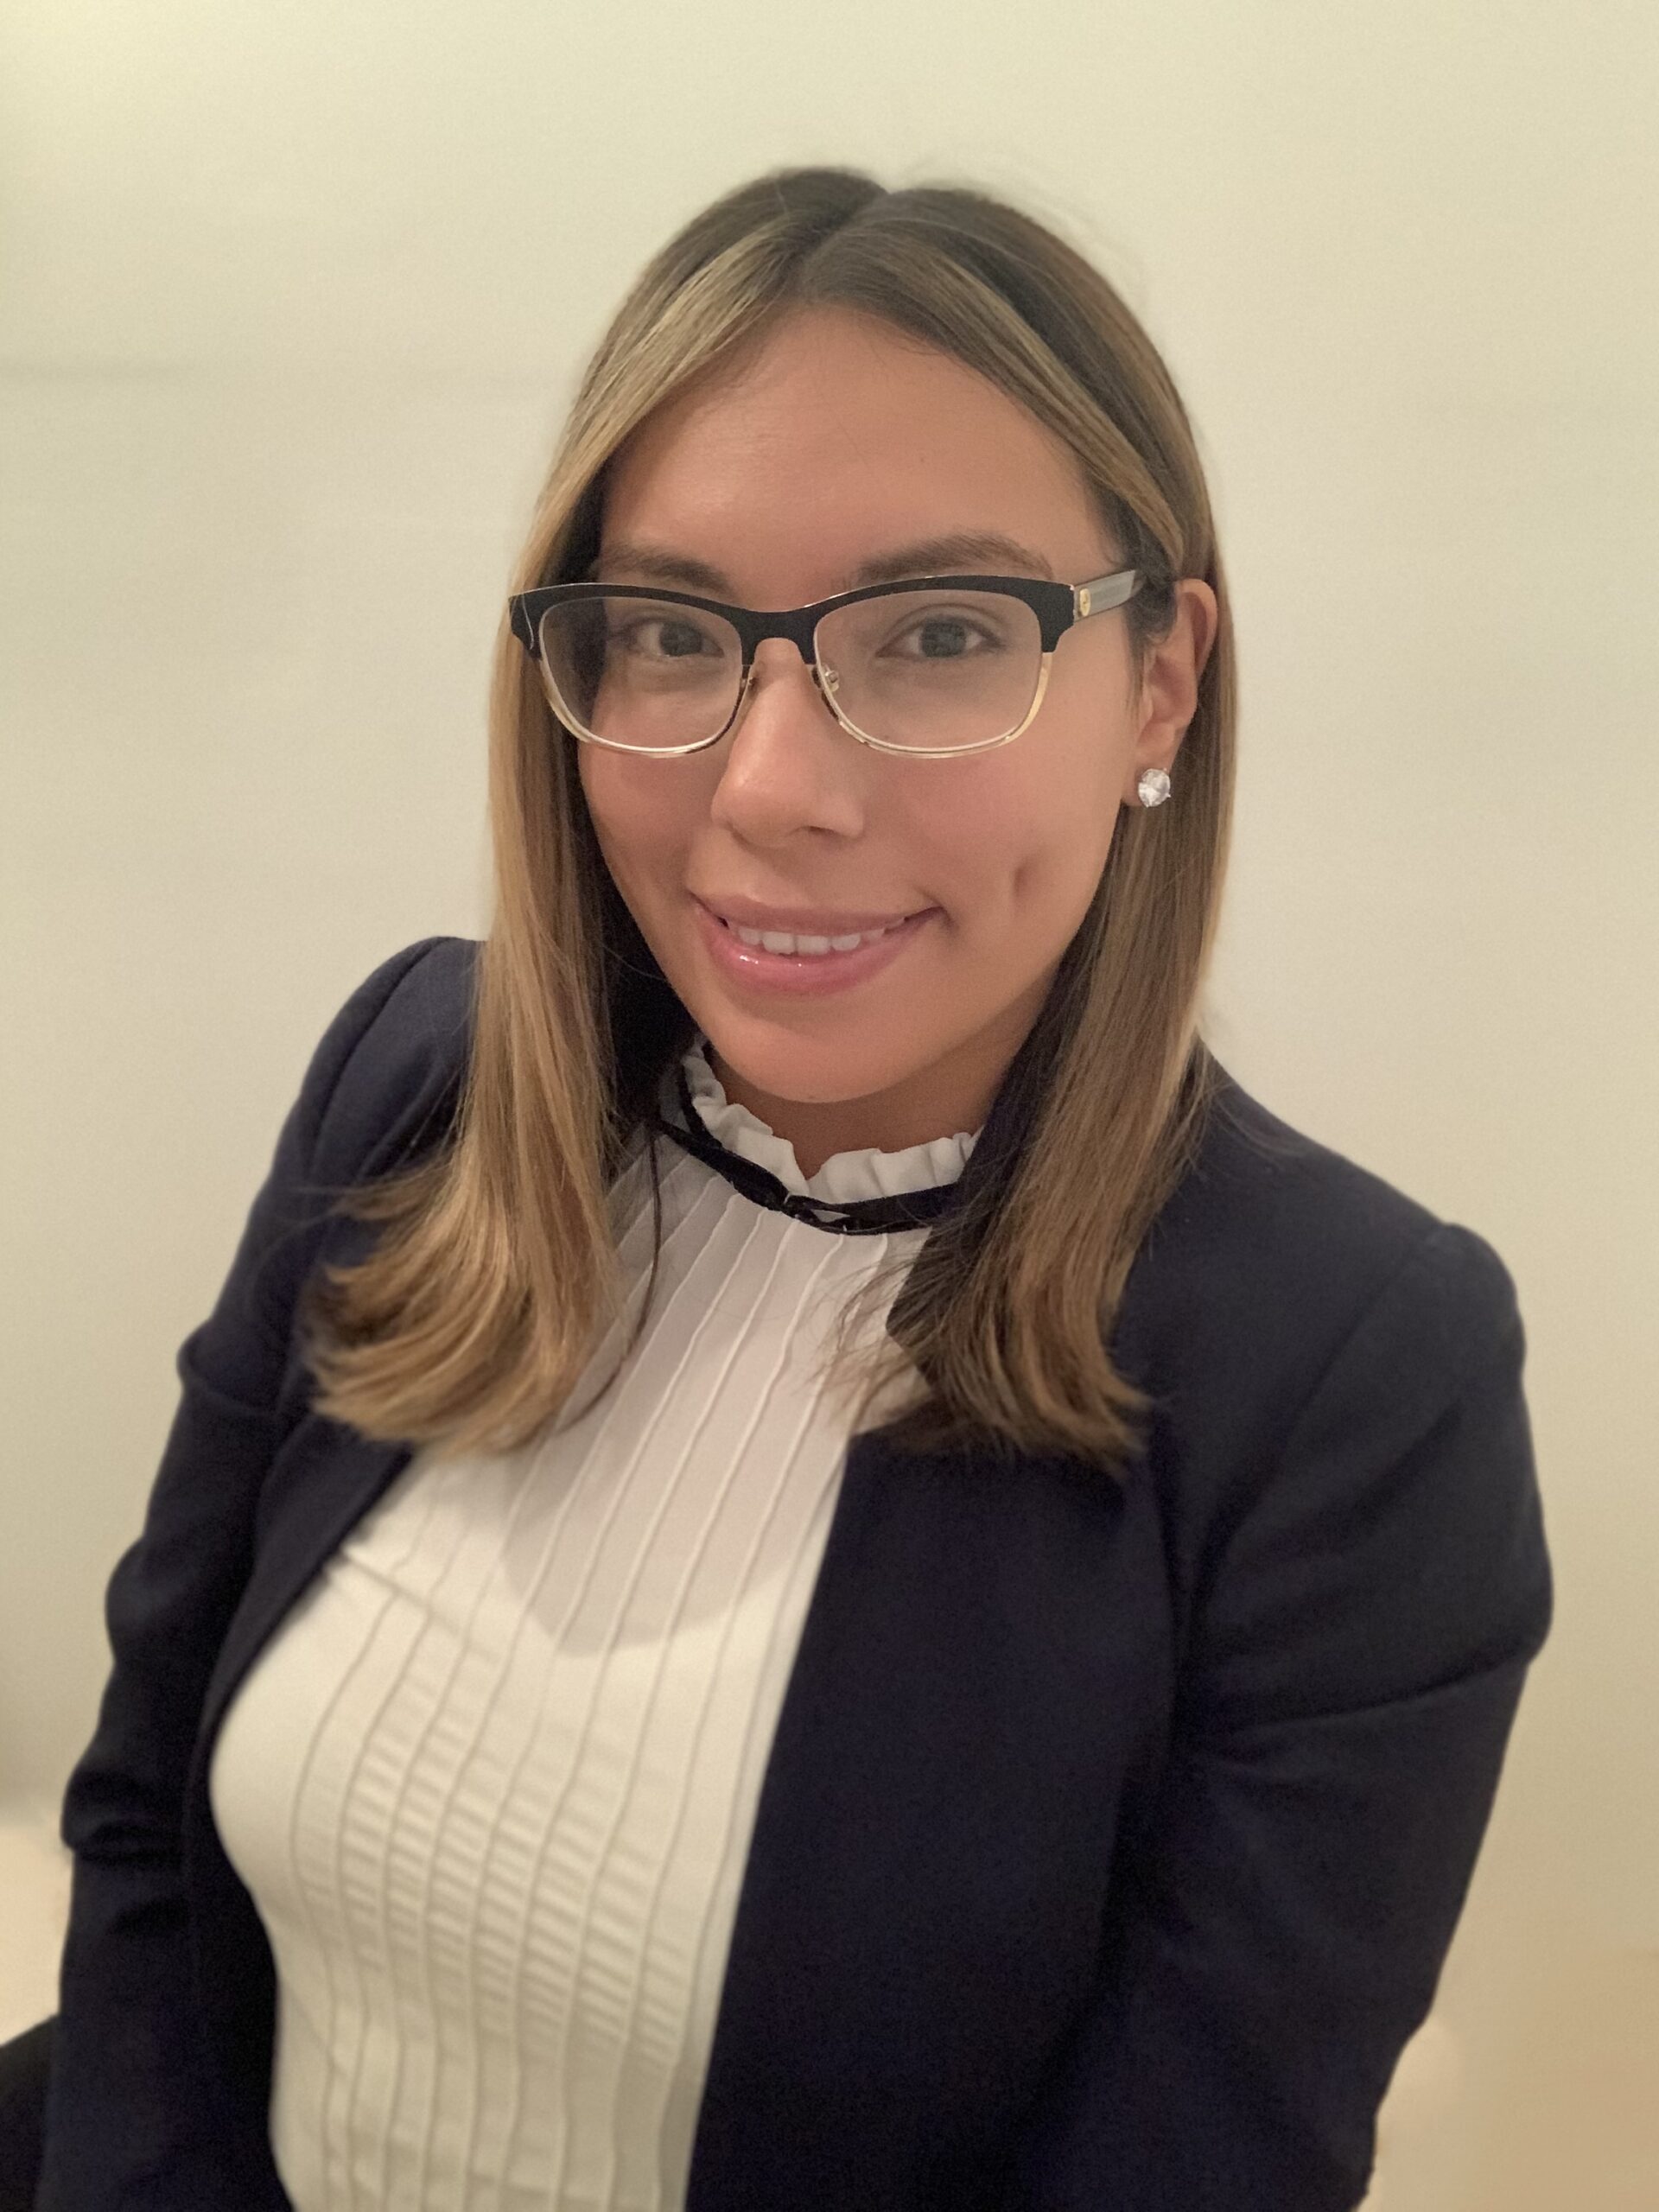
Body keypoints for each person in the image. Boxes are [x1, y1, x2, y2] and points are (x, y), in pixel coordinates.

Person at [16, 166, 1550, 2212]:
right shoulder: (417, 1081)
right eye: (669, 633)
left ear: (1161, 680)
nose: (767, 788)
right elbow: (142, 1834)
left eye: (941, 634)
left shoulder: (1355, 1375)